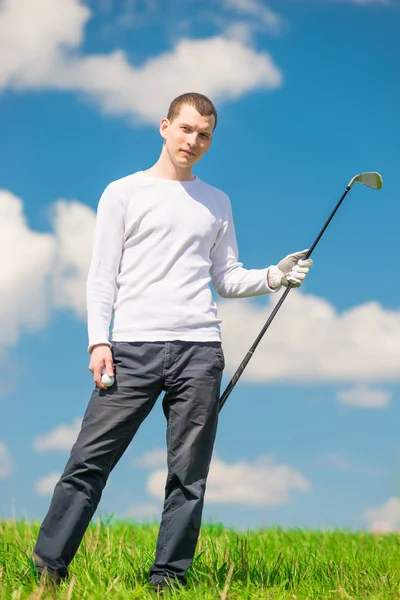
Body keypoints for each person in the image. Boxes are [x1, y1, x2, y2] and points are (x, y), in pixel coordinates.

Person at [31, 92, 313, 592]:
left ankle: (168, 580)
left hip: (200, 351)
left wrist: (275, 275)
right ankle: (50, 570)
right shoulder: (122, 192)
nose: (193, 141)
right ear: (164, 127)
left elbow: (225, 278)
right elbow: (102, 277)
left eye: (204, 135)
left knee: (189, 476)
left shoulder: (217, 201)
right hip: (132, 348)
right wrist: (100, 341)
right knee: (89, 462)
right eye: (186, 129)